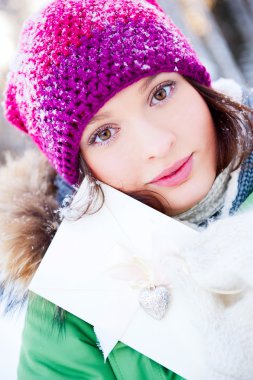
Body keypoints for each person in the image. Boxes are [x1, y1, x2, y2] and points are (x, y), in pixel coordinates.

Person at [1, 0, 253, 378]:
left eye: (161, 93)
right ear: (81, 170)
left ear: (197, 86)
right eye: (104, 134)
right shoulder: (71, 310)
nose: (157, 145)